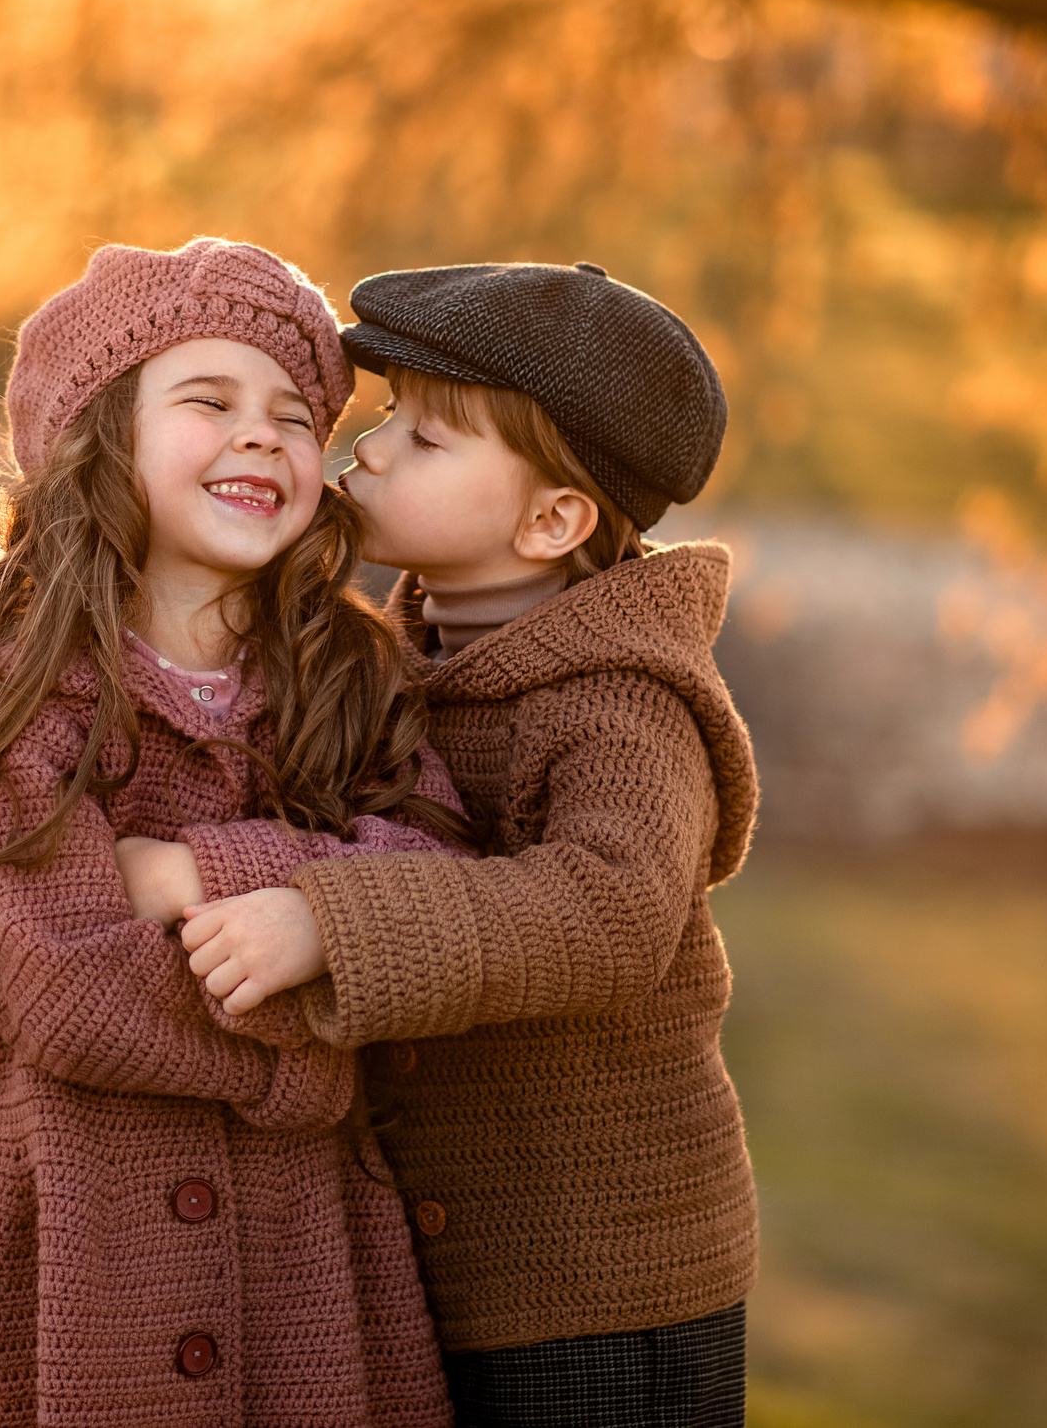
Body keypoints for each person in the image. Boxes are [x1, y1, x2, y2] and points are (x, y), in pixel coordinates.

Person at [127, 261, 760, 1427]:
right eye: (384, 416)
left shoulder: (622, 704)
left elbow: (608, 912)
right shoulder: (398, 662)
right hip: (436, 1269)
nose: (368, 452)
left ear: (550, 519)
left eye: (424, 439)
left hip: (598, 1286)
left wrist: (326, 922)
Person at [0, 237, 471, 1428]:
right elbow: (64, 983)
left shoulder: (351, 675)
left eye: (295, 416)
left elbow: (445, 882)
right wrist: (318, 1041)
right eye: (210, 401)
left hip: (306, 1270)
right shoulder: (19, 682)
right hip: (69, 1262)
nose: (262, 436)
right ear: (102, 437)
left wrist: (239, 885)